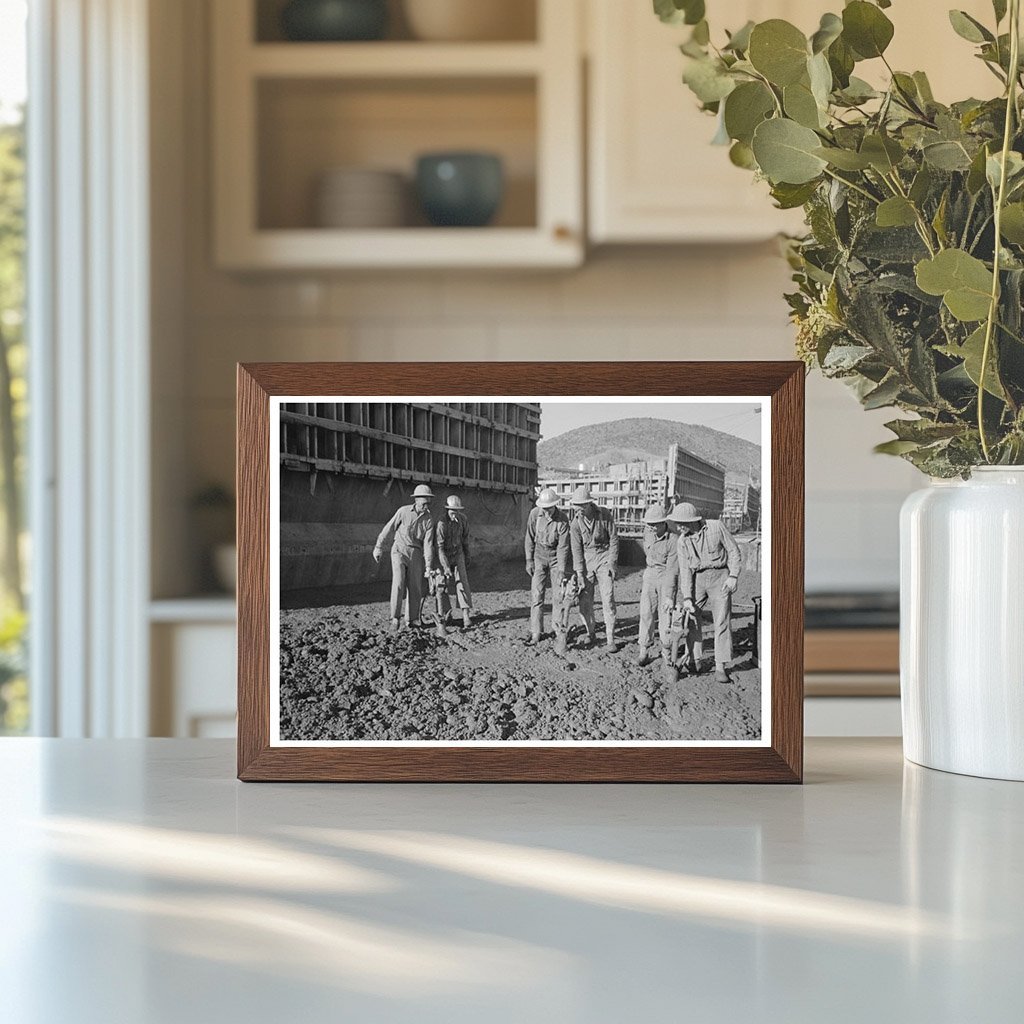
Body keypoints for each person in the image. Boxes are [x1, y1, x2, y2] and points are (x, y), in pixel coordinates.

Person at [667, 501, 742, 683]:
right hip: (697, 579)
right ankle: (695, 660)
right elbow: (685, 570)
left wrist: (733, 576)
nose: (678, 527)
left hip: (720, 577)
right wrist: (687, 598)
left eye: (681, 523)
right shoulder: (682, 541)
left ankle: (720, 666)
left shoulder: (716, 527)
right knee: (691, 619)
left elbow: (733, 551)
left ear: (693, 521)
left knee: (721, 621)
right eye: (676, 523)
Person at [372, 483, 436, 631]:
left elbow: (428, 544)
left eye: (429, 503)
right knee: (399, 583)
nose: (427, 507)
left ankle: (412, 620)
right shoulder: (403, 511)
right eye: (425, 503)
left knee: (415, 587)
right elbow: (389, 527)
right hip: (399, 550)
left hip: (416, 553)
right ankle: (395, 619)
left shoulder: (429, 520)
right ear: (417, 500)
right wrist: (378, 547)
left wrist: (428, 566)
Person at [569, 486, 619, 653]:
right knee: (584, 599)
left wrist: (612, 563)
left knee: (608, 597)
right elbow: (576, 550)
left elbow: (613, 540)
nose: (579, 509)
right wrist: (579, 573)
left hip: (604, 556)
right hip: (587, 559)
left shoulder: (604, 515)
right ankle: (591, 632)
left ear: (590, 504)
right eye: (576, 505)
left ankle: (610, 637)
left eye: (582, 505)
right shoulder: (575, 523)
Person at [524, 487, 571, 652]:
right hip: (538, 556)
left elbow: (563, 547)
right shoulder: (535, 514)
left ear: (555, 505)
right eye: (544, 508)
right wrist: (529, 560)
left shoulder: (563, 520)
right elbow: (529, 537)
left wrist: (561, 570)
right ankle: (536, 631)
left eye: (549, 508)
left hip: (556, 558)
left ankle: (557, 630)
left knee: (558, 595)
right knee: (537, 594)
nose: (547, 511)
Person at [638, 504, 677, 669]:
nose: (651, 528)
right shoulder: (647, 533)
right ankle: (644, 650)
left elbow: (672, 570)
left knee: (665, 615)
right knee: (646, 613)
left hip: (665, 576)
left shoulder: (673, 540)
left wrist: (669, 594)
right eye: (649, 524)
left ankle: (666, 652)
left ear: (663, 523)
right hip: (649, 574)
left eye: (654, 524)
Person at [436, 494, 473, 629]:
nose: (454, 515)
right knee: (442, 583)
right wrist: (445, 567)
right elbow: (439, 548)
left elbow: (465, 540)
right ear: (447, 510)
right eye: (452, 512)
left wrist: (467, 555)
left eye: (457, 511)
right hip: (444, 554)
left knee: (462, 582)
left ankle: (465, 615)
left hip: (458, 553)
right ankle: (446, 614)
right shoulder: (441, 523)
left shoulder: (463, 520)